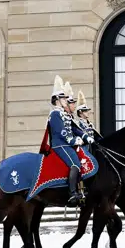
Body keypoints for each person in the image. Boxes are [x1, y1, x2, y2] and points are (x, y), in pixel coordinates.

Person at [45, 77, 83, 205]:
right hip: (59, 145)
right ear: (56, 100)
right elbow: (61, 132)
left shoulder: (62, 113)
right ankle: (72, 193)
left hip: (65, 144)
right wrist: (73, 141)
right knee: (75, 164)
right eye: (62, 98)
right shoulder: (55, 114)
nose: (65, 101)